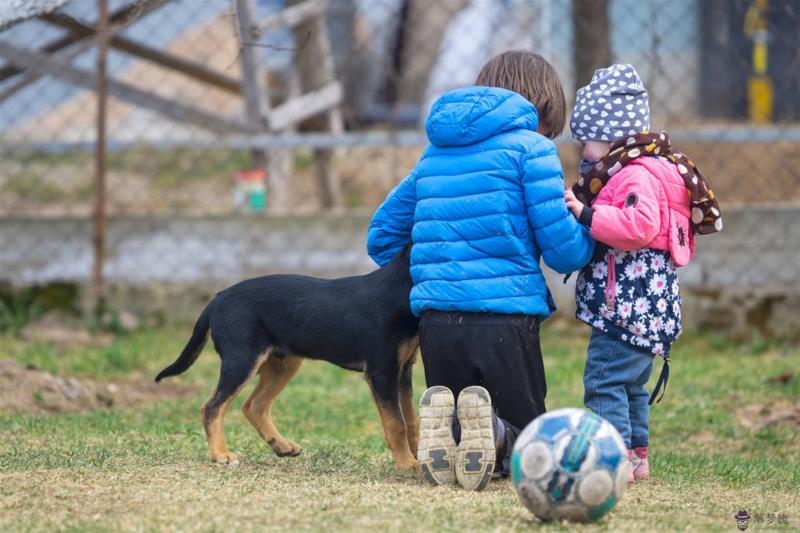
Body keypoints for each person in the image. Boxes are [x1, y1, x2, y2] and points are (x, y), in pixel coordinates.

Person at [366, 50, 595, 490]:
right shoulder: (534, 149)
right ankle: (495, 432)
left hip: (435, 322)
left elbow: (381, 238)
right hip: (505, 320)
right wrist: (590, 231)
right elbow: (564, 252)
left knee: (459, 418)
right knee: (532, 445)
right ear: (543, 111)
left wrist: (438, 254)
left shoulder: (435, 153)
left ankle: (451, 436)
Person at [564, 63, 722, 482]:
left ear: (614, 138)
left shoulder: (635, 174)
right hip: (648, 307)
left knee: (602, 382)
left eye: (588, 141)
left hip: (626, 308)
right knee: (631, 385)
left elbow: (640, 226)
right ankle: (636, 458)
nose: (584, 152)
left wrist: (585, 213)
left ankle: (609, 461)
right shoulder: (652, 167)